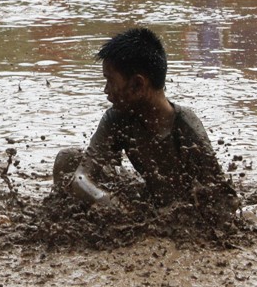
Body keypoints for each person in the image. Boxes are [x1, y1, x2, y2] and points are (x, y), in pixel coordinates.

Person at [52, 27, 238, 221]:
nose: (106, 90)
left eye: (110, 81)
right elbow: (81, 178)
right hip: (144, 201)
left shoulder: (185, 126)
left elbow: (225, 199)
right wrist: (104, 200)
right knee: (67, 159)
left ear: (138, 85)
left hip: (178, 212)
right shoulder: (117, 118)